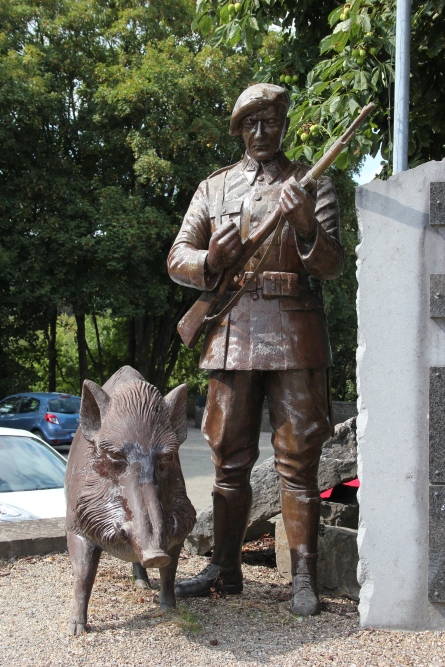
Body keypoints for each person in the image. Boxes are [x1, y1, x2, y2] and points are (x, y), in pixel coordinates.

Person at [167, 83, 343, 615]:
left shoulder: (314, 182)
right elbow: (177, 257)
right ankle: (225, 567)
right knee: (227, 456)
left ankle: (304, 577)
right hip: (232, 329)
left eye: (271, 121)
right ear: (240, 129)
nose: (263, 132)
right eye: (252, 123)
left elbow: (333, 263)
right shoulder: (214, 189)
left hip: (294, 332)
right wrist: (208, 261)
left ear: (283, 124)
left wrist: (307, 224)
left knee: (299, 460)